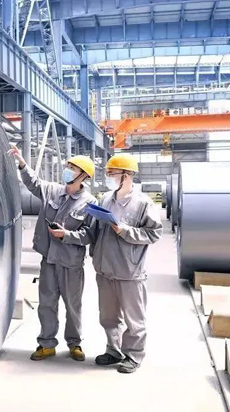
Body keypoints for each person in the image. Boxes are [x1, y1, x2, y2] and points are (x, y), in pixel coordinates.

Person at [60, 153, 162, 374]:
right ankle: (113, 350)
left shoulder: (142, 203)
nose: (109, 177)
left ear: (127, 175)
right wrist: (72, 236)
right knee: (108, 316)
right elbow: (94, 231)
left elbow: (154, 233)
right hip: (105, 269)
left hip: (129, 271)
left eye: (112, 173)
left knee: (134, 319)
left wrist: (125, 231)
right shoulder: (105, 199)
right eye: (108, 173)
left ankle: (133, 355)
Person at [8, 144, 96, 362]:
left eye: (73, 168)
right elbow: (34, 183)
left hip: (71, 263)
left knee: (73, 305)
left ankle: (74, 344)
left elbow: (89, 234)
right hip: (49, 260)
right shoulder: (53, 191)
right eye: (68, 166)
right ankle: (47, 344)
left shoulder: (90, 203)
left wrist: (66, 235)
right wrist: (21, 162)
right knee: (47, 303)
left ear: (83, 176)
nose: (68, 170)